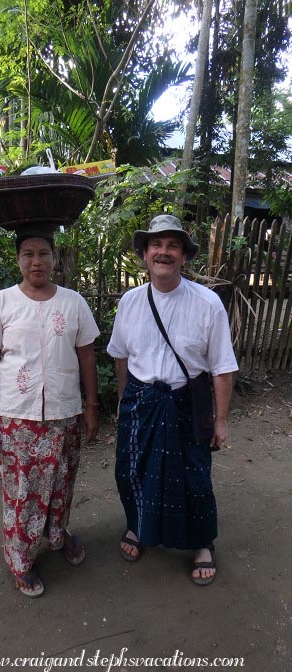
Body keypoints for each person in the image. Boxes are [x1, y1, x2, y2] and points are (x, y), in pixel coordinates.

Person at [107, 214, 238, 585]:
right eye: (156, 245)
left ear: (183, 256)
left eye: (172, 245)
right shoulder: (130, 302)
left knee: (194, 476)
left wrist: (222, 420)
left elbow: (223, 367)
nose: (163, 252)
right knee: (133, 469)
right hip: (140, 400)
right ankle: (138, 527)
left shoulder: (208, 303)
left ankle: (202, 543)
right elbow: (120, 357)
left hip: (187, 402)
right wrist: (122, 399)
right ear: (144, 254)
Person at [0, 232, 100, 597]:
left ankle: (57, 535)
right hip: (18, 416)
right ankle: (20, 559)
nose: (36, 262)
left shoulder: (73, 303)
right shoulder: (1, 303)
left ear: (54, 258)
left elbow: (87, 356)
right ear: (17, 260)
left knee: (61, 484)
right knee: (22, 492)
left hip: (65, 414)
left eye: (43, 253)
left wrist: (91, 407)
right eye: (28, 254)